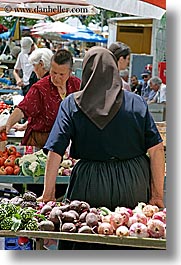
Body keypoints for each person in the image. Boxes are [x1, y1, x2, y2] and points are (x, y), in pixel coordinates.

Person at [38, 46, 165, 249]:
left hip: (89, 183)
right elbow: (157, 150)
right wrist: (157, 195)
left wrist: (48, 194)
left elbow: (56, 151)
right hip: (133, 181)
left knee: (86, 237)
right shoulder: (136, 102)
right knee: (130, 236)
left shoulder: (72, 104)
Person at [0, 49, 81, 149]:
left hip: (69, 142)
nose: (56, 77)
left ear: (70, 72)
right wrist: (8, 125)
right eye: (54, 72)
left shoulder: (77, 85)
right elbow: (23, 109)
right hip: (41, 142)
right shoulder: (40, 88)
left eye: (61, 74)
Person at [12, 48, 54, 132]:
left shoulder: (44, 84)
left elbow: (24, 108)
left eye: (34, 65)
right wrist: (24, 125)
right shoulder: (50, 80)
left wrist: (7, 125)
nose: (34, 70)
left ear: (41, 64)